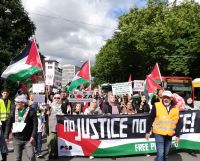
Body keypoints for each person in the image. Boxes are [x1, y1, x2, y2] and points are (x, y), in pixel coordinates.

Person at [145, 90, 182, 161]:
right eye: (164, 97)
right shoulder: (157, 105)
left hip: (169, 134)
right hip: (158, 133)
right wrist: (147, 131)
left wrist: (177, 135)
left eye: (167, 97)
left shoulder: (176, 108)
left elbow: (179, 122)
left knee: (165, 154)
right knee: (161, 153)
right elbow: (150, 119)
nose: (165, 99)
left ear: (171, 98)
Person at [4, 94, 37, 161]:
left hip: (28, 139)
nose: (15, 104)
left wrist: (33, 136)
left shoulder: (31, 111)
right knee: (17, 158)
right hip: (16, 138)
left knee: (31, 156)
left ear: (23, 103)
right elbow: (8, 124)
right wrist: (6, 136)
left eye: (17, 102)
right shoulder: (13, 111)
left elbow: (35, 125)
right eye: (15, 102)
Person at [47, 94, 62, 159]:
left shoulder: (63, 106)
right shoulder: (49, 106)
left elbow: (67, 115)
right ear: (53, 98)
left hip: (60, 127)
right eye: (55, 97)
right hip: (51, 126)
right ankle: (50, 153)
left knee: (56, 142)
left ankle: (55, 153)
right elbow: (43, 114)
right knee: (50, 141)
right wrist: (46, 112)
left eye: (58, 98)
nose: (56, 99)